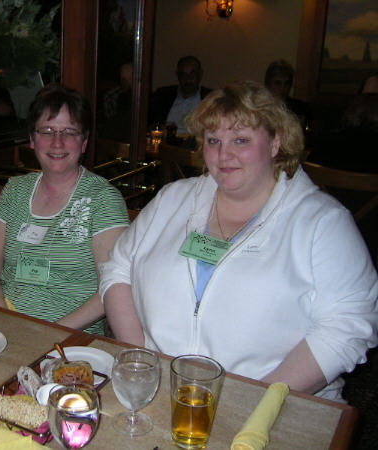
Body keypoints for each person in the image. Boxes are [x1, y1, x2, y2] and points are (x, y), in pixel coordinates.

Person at [100, 80, 378, 400]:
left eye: (241, 140)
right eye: (213, 139)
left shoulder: (322, 222)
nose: (223, 154)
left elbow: (348, 325)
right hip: (163, 391)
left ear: (275, 143)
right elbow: (119, 266)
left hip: (272, 405)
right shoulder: (173, 199)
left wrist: (252, 400)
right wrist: (142, 360)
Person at [0, 84, 129, 334]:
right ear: (32, 140)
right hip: (7, 326)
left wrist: (44, 334)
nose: (57, 142)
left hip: (70, 337)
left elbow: (110, 290)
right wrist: (6, 323)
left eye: (69, 132)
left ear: (84, 143)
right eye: (47, 131)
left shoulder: (103, 199)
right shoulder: (14, 190)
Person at [149, 55, 212, 134]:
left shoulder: (210, 98)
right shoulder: (163, 95)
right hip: (167, 143)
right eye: (183, 74)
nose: (188, 78)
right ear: (178, 75)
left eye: (192, 74)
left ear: (200, 74)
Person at [264, 59, 311, 127]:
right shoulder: (260, 107)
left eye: (287, 84)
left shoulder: (299, 108)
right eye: (278, 83)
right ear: (268, 84)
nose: (283, 88)